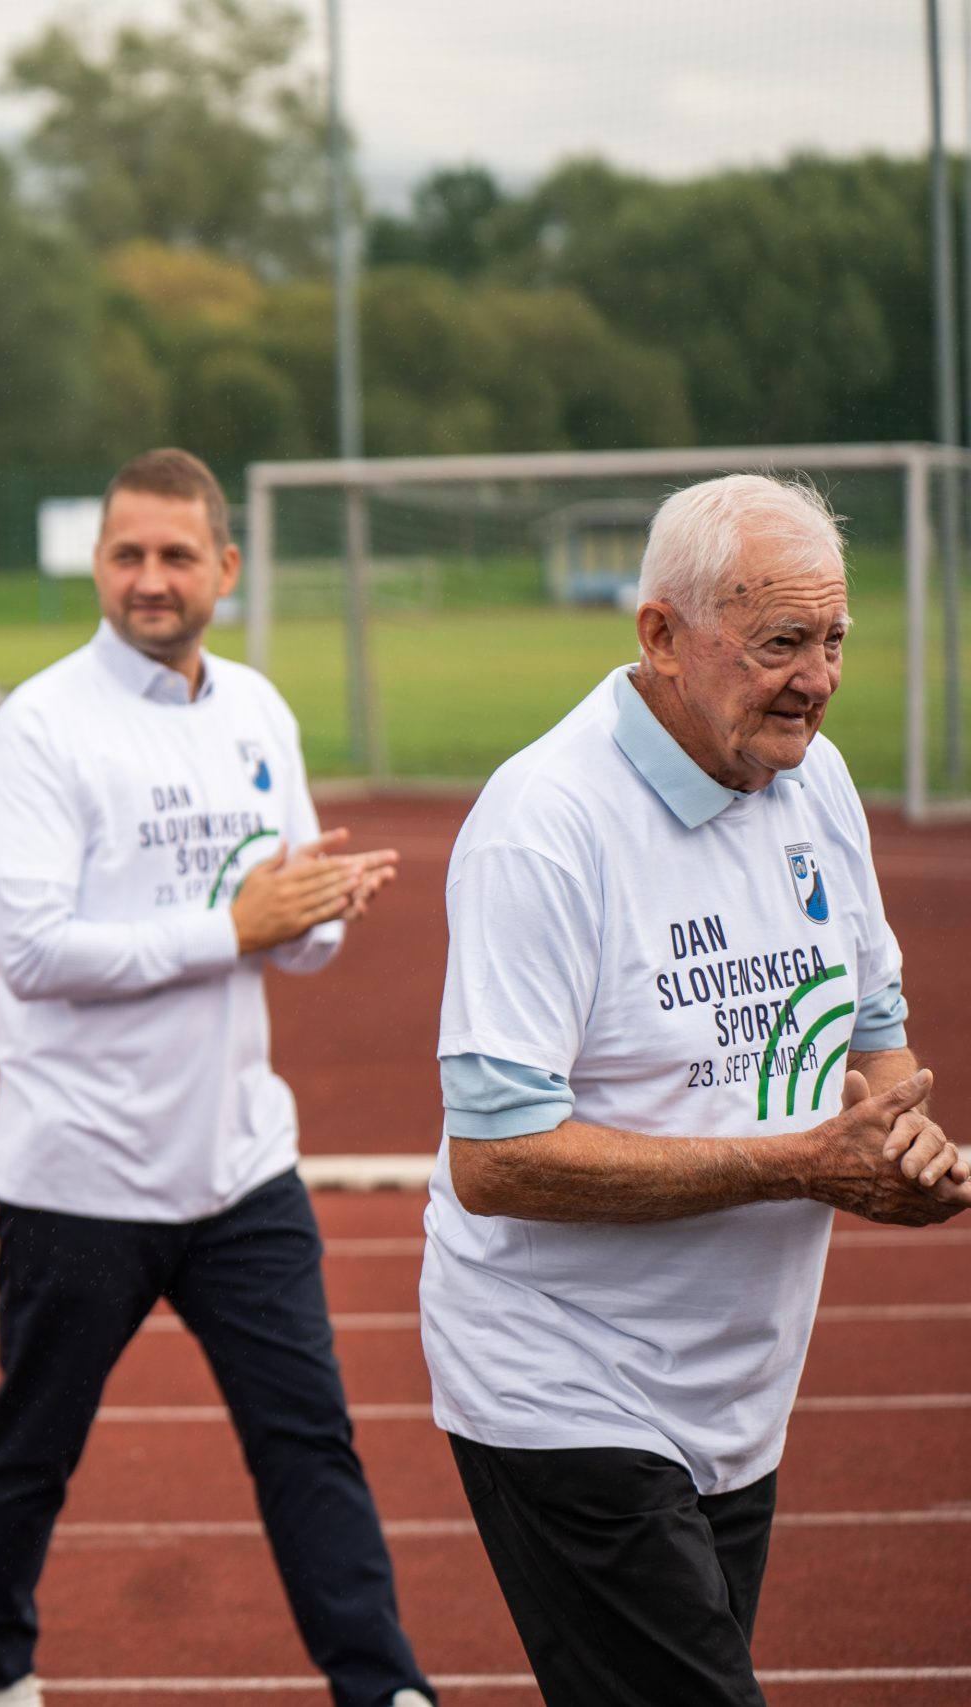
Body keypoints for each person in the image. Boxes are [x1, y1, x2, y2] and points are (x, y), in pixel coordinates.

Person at [424, 473, 965, 1706]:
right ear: (661, 636)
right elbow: (494, 1158)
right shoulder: (544, 822)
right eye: (780, 642)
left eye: (833, 640)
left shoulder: (814, 781)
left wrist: (902, 1142)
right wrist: (798, 1167)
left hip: (736, 1390)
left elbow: (875, 1032)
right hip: (562, 1386)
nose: (817, 680)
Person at [0, 448, 432, 1707]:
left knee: (308, 1442)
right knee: (33, 1452)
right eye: (126, 554)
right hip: (80, 1178)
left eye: (174, 555)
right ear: (97, 565)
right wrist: (236, 926)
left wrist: (316, 911)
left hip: (241, 1169)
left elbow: (294, 940)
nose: (148, 579)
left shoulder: (257, 710)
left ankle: (383, 1686)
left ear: (225, 566)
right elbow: (32, 953)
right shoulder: (42, 725)